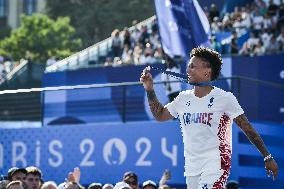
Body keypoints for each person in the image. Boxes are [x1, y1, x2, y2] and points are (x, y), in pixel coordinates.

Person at [140, 47, 278, 189]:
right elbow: (160, 115)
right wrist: (149, 89)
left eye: (193, 66)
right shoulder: (182, 98)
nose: (188, 70)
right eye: (188, 66)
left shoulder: (225, 98)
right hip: (192, 168)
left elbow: (247, 128)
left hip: (217, 165)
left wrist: (267, 156)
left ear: (207, 71)